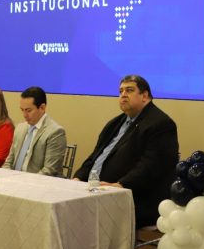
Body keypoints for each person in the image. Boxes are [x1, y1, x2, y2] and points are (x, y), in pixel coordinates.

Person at [74, 75, 179, 228]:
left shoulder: (161, 124)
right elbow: (96, 156)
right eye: (121, 91)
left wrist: (121, 185)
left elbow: (151, 166)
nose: (123, 95)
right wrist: (78, 177)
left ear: (144, 96)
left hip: (135, 198)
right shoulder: (115, 123)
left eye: (129, 90)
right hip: (98, 191)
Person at [3, 86, 67, 176]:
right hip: (14, 179)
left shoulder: (55, 132)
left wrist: (24, 181)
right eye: (22, 110)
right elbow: (9, 162)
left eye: (28, 110)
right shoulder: (20, 128)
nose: (24, 115)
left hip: (39, 181)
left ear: (42, 108)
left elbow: (49, 170)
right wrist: (6, 176)